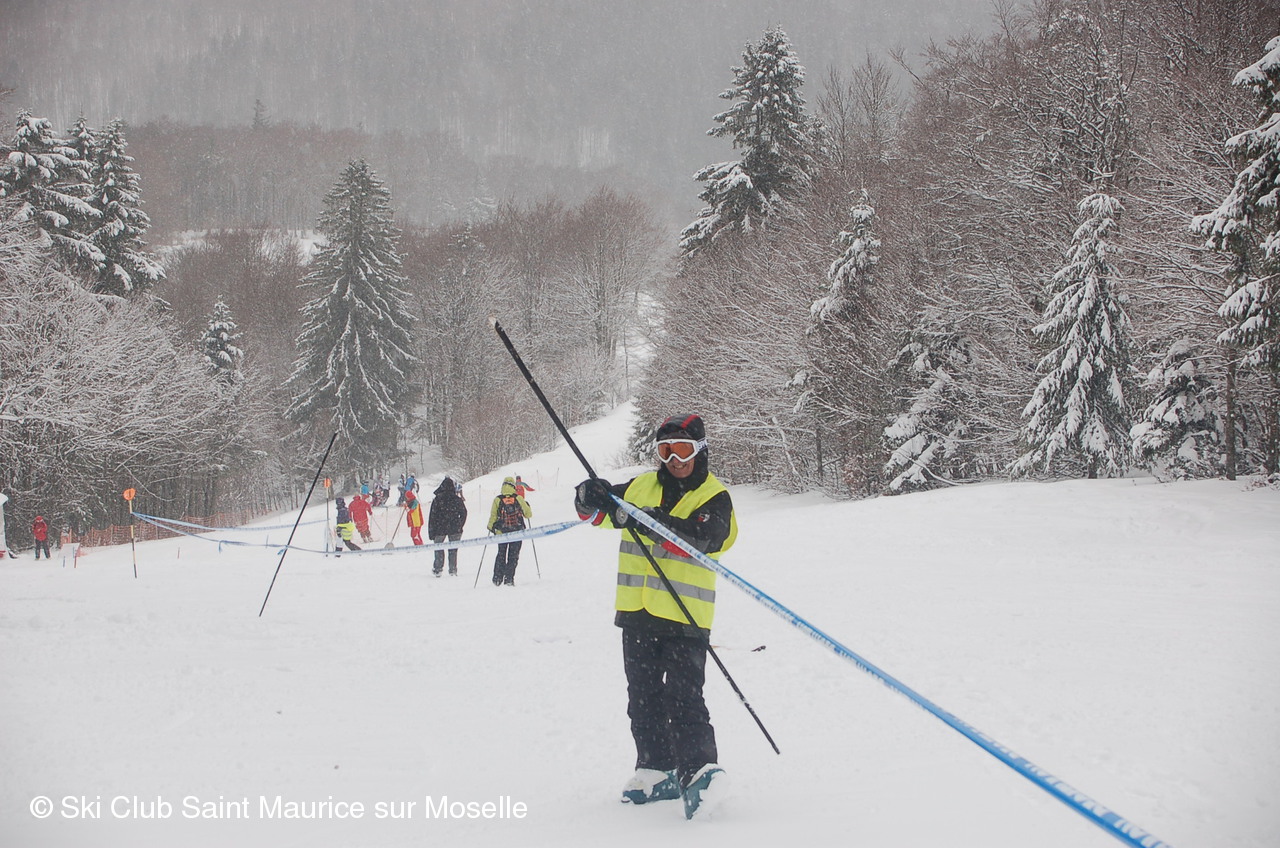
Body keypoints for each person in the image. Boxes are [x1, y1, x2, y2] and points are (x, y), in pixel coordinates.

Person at [573, 413, 736, 819]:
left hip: (685, 618)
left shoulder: (715, 497)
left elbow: (701, 538)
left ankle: (699, 772)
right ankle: (656, 768)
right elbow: (598, 515)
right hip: (637, 613)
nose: (674, 459)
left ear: (700, 451)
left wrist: (643, 520)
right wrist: (589, 496)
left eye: (682, 449)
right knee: (642, 698)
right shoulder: (641, 486)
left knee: (684, 698)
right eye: (665, 450)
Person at [487, 477, 531, 585]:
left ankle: (497, 578)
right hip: (517, 532)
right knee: (513, 556)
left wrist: (492, 528)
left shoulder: (498, 499)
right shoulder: (518, 498)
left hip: (502, 532)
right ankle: (509, 579)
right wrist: (527, 506)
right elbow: (528, 514)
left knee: (501, 554)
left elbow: (493, 516)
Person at [428, 476, 468, 576]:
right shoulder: (457, 499)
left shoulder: (437, 500)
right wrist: (460, 525)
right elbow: (464, 513)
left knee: (438, 548)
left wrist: (431, 531)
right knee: (453, 550)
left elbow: (432, 516)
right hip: (455, 528)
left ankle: (438, 568)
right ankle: (452, 570)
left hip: (440, 528)